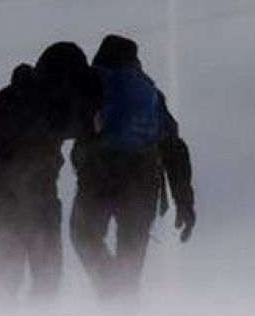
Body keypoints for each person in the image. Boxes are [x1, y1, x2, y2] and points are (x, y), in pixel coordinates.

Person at [70, 34, 195, 297]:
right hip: (143, 183)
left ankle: (111, 294)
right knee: (131, 262)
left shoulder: (93, 84)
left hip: (98, 176)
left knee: (84, 236)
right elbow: (174, 147)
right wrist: (184, 201)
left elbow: (60, 124)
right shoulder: (150, 94)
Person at [0, 42, 97, 297]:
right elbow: (82, 127)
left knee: (4, 282)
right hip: (42, 203)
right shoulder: (55, 105)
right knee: (47, 279)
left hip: (0, 205)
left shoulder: (6, 98)